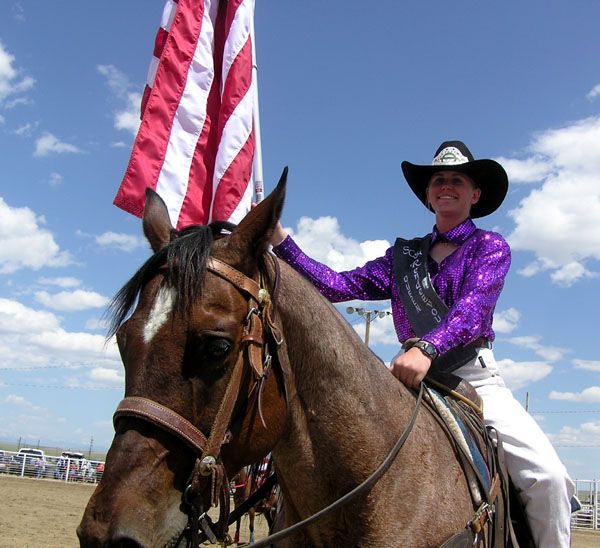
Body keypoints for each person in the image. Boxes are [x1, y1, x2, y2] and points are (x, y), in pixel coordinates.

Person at [269, 141, 574, 547]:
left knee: (549, 478)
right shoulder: (404, 257)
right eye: (438, 181)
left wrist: (426, 348)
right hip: (406, 379)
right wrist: (280, 240)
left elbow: (471, 312)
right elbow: (337, 285)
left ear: (475, 194)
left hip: (473, 382)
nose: (446, 186)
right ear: (429, 194)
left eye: (457, 180)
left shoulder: (490, 247)